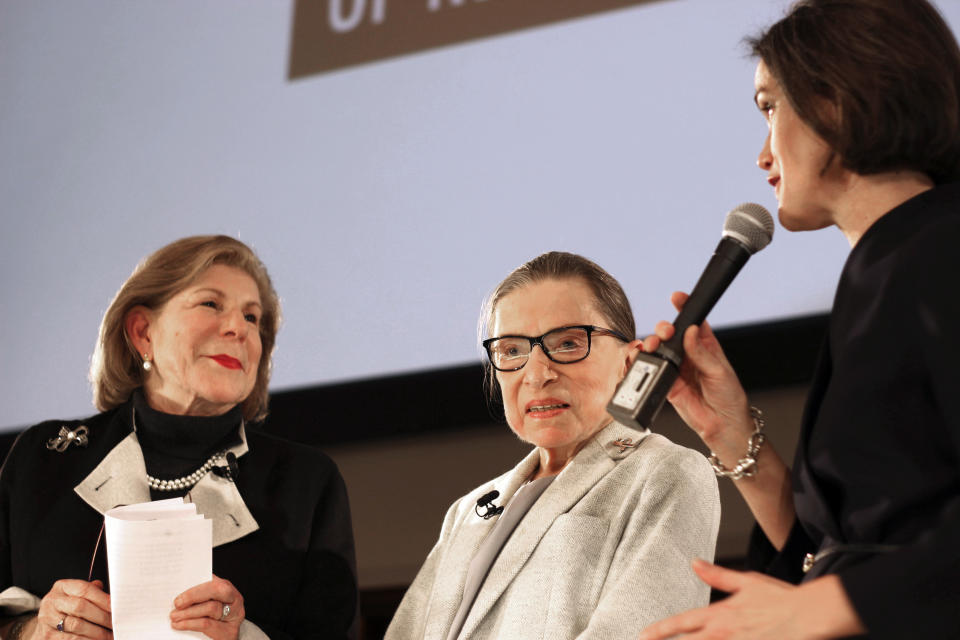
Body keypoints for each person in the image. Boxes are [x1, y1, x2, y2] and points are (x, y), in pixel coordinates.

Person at [637, 1, 960, 638]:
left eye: (769, 107)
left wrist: (819, 607)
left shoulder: (942, 250)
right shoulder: (885, 270)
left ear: (835, 100)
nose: (762, 155)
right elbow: (850, 544)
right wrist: (734, 441)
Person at [0, 235, 357, 640]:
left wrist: (243, 638)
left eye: (253, 318)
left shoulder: (307, 482)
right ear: (142, 332)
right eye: (211, 304)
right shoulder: (42, 459)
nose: (238, 328)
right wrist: (26, 631)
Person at [386, 252, 720, 640]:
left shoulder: (666, 473)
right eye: (511, 351)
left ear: (630, 364)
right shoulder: (467, 511)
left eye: (567, 343)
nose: (537, 374)